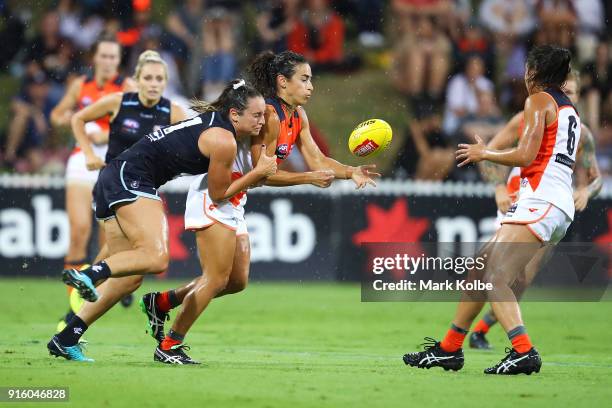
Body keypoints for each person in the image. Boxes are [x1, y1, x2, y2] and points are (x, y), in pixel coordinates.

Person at [138, 50, 380, 364]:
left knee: (236, 281)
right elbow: (263, 174)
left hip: (236, 198)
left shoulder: (298, 116)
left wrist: (350, 172)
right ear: (282, 82)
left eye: (310, 79)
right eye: (304, 79)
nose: (310, 86)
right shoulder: (269, 115)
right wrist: (307, 178)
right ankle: (169, 345)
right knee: (215, 278)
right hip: (215, 194)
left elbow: (318, 160)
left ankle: (162, 302)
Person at [47, 79, 277, 362]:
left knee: (129, 278)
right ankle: (91, 274)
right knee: (156, 258)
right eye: (256, 115)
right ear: (234, 114)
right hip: (132, 179)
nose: (262, 121)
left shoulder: (214, 124)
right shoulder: (224, 139)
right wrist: (259, 172)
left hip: (115, 175)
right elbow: (218, 195)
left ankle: (66, 337)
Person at [403, 45, 578, 375]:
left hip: (541, 200)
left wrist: (486, 154)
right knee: (480, 270)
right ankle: (449, 349)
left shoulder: (539, 100)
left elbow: (526, 156)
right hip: (552, 201)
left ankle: (523, 351)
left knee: (497, 277)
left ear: (534, 72)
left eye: (527, 69)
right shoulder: (568, 109)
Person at [469, 70, 602, 349]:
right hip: (518, 201)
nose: (567, 97)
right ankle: (488, 341)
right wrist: (499, 189)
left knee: (521, 280)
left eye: (573, 93)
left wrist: (586, 191)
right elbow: (487, 153)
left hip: (552, 206)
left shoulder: (582, 134)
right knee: (498, 273)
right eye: (565, 90)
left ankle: (477, 333)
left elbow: (596, 177)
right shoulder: (526, 118)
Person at [50, 36, 136, 324]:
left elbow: (136, 121)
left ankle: (105, 288)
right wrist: (75, 120)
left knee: (106, 237)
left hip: (112, 160)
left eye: (114, 57)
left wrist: (108, 131)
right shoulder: (80, 85)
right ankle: (74, 306)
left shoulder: (126, 86)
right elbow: (57, 115)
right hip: (81, 158)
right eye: (105, 56)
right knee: (78, 233)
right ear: (95, 58)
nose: (109, 62)